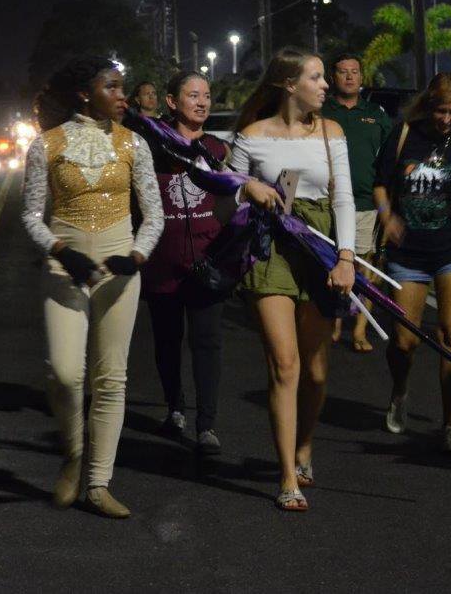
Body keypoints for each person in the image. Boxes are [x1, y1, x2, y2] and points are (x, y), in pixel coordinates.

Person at [22, 56, 164, 518]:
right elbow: (31, 214)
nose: (124, 96)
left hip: (119, 265)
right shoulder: (46, 144)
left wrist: (136, 255)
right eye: (113, 87)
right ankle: (73, 455)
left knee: (111, 378)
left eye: (123, 87)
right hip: (66, 265)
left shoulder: (135, 143)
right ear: (86, 93)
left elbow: (154, 214)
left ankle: (99, 484)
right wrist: (60, 250)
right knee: (65, 373)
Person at [229, 47, 356, 511]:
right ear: (289, 84)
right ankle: (287, 477)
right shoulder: (251, 136)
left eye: (324, 77)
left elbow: (343, 199)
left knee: (316, 373)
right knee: (285, 366)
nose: (326, 85)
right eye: (316, 77)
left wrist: (346, 258)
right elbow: (226, 199)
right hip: (271, 252)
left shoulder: (331, 132)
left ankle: (304, 445)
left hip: (319, 249)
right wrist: (247, 187)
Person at [373, 72, 451, 455]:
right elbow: (380, 184)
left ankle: (449, 425)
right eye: (441, 111)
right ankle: (399, 389)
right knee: (404, 341)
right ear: (428, 105)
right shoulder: (404, 136)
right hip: (407, 251)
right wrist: (387, 217)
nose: (446, 119)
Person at [140, 71, 228, 455]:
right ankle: (174, 408)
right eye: (193, 95)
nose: (202, 102)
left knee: (207, 343)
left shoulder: (218, 150)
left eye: (206, 95)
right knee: (167, 341)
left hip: (208, 264)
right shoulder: (151, 147)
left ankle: (206, 425)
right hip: (163, 262)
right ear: (172, 102)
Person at [322, 52, 393, 352]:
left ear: (362, 77)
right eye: (343, 71)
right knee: (329, 264)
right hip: (326, 203)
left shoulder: (376, 113)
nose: (350, 76)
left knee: (365, 268)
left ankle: (361, 329)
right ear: (332, 77)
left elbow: (390, 157)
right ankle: (335, 323)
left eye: (355, 71)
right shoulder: (321, 111)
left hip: (365, 203)